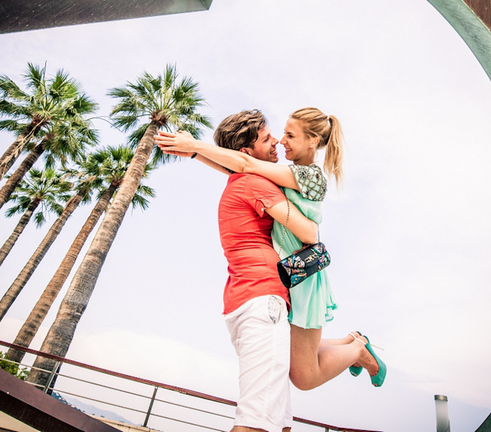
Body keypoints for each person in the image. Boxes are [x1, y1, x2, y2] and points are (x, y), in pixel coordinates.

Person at [156, 108, 386, 393]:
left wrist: (195, 146)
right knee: (287, 350)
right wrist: (195, 154)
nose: (281, 140)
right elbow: (237, 165)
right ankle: (350, 342)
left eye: (290, 135)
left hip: (302, 276)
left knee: (304, 376)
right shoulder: (282, 173)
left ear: (313, 141)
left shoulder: (309, 176)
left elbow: (245, 165)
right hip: (288, 273)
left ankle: (358, 350)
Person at [168, 110, 318, 432]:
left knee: (279, 424)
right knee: (255, 422)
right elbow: (309, 234)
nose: (277, 140)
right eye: (267, 138)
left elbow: (232, 164)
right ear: (247, 153)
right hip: (263, 299)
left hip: (244, 301)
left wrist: (195, 152)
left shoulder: (240, 180)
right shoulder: (253, 182)